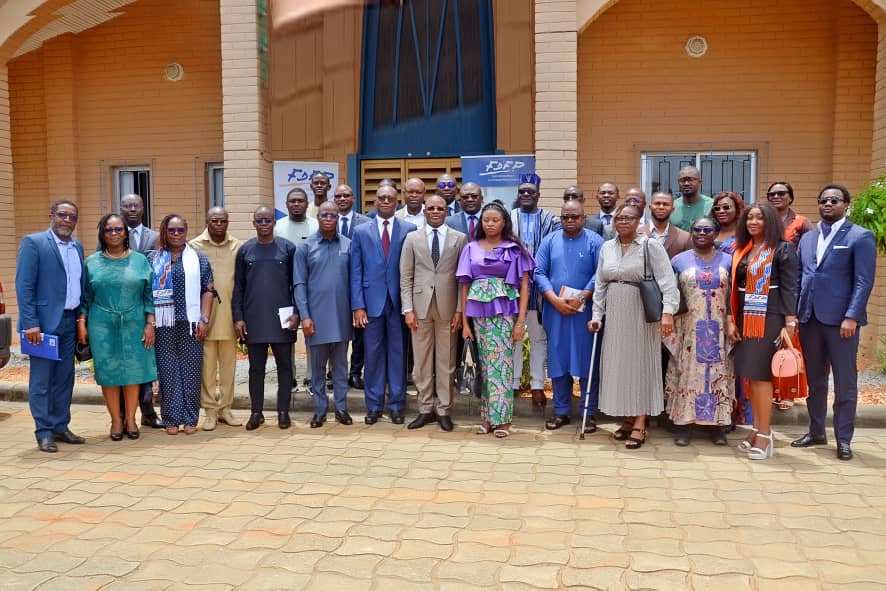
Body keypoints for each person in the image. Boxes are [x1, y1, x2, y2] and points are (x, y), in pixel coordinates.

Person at [792, 184, 876, 461]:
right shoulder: (808, 238)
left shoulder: (860, 236)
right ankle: (816, 431)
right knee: (815, 381)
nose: (828, 204)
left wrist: (852, 316)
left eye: (834, 200)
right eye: (823, 200)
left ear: (846, 204)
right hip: (809, 319)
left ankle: (843, 439)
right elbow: (802, 277)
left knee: (844, 382)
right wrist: (794, 314)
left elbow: (863, 281)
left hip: (842, 322)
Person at [588, 204, 679, 450]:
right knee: (619, 365)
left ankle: (640, 421)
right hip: (616, 312)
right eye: (619, 218)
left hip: (642, 312)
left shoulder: (651, 246)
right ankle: (627, 417)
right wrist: (597, 314)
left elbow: (668, 283)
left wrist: (668, 313)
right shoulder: (607, 247)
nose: (623, 221)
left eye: (629, 218)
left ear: (639, 220)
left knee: (640, 365)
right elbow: (600, 284)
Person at [727, 202, 798, 460]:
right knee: (751, 376)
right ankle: (757, 428)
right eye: (750, 218)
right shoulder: (742, 250)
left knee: (762, 376)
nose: (753, 222)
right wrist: (731, 319)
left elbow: (791, 287)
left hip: (770, 318)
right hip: (745, 317)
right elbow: (734, 287)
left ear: (770, 222)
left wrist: (789, 322)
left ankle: (766, 435)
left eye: (759, 218)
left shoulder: (782, 249)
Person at [457, 201, 535, 438]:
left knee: (501, 366)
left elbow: (524, 287)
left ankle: (503, 420)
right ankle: (488, 418)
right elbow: (464, 287)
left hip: (504, 313)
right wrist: (465, 324)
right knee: (485, 367)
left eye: (495, 220)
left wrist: (520, 323)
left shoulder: (514, 249)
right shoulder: (470, 248)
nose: (490, 224)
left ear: (504, 223)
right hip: (478, 315)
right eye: (486, 220)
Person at [16, 199, 86, 452]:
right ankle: (43, 431)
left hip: (69, 321)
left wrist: (80, 319)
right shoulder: (33, 243)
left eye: (72, 217)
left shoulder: (77, 246)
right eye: (62, 215)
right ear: (51, 216)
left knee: (64, 379)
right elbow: (24, 286)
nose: (67, 220)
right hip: (42, 326)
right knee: (42, 380)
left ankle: (60, 426)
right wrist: (31, 323)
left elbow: (79, 284)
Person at [79, 214, 157, 441]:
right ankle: (115, 420)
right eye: (109, 230)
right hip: (101, 324)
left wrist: (150, 324)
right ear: (102, 234)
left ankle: (131, 419)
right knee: (109, 372)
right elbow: (85, 297)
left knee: (133, 371)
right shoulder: (91, 262)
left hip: (134, 322)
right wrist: (81, 323)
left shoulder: (141, 261)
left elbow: (149, 296)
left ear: (125, 232)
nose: (114, 233)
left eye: (118, 229)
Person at [350, 184, 418, 424]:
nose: (386, 201)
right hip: (371, 304)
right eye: (382, 198)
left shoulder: (410, 229)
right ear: (375, 202)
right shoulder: (361, 231)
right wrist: (357, 306)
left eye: (390, 198)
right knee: (373, 355)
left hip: (400, 303)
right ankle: (374, 405)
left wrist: (411, 304)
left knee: (399, 355)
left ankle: (398, 405)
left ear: (397, 201)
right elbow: (355, 271)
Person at [664, 216, 734, 446]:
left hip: (718, 328)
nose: (702, 233)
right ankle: (683, 424)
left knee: (717, 374)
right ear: (691, 232)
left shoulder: (727, 260)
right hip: (689, 329)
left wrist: (732, 321)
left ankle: (717, 425)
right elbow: (669, 293)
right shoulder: (678, 261)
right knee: (687, 373)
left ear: (716, 233)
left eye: (707, 229)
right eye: (697, 229)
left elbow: (734, 295)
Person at [534, 200, 603, 432]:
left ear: (584, 217)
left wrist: (582, 297)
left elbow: (600, 273)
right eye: (565, 217)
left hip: (585, 313)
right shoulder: (549, 240)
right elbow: (538, 272)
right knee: (558, 361)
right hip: (556, 311)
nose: (570, 221)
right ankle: (561, 411)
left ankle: (588, 412)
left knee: (586, 362)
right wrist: (553, 299)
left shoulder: (595, 241)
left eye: (575, 217)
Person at [400, 195, 467, 432]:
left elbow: (463, 279)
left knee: (446, 361)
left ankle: (444, 410)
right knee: (422, 361)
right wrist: (407, 309)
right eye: (431, 208)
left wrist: (460, 309)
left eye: (440, 208)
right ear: (424, 211)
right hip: (419, 308)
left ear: (447, 211)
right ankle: (425, 408)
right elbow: (405, 277)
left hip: (448, 308)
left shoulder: (459, 239)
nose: (436, 211)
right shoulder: (412, 239)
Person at [147, 214, 214, 435]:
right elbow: (146, 292)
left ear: (186, 232)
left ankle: (190, 417)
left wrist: (204, 319)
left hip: (191, 322)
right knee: (168, 371)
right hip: (163, 323)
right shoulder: (153, 259)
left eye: (180, 230)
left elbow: (208, 290)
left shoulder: (199, 258)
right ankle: (171, 418)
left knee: (191, 370)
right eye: (172, 230)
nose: (176, 234)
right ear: (164, 232)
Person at [233, 206, 299, 431]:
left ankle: (283, 412)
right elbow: (239, 287)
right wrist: (238, 317)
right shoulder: (245, 251)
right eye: (259, 220)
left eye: (268, 220)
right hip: (253, 319)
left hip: (283, 319)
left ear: (274, 222)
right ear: (254, 223)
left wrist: (297, 312)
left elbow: (296, 285)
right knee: (256, 369)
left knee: (284, 367)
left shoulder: (287, 249)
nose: (263, 223)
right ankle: (256, 412)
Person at [295, 202, 354, 428]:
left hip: (341, 316)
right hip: (316, 318)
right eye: (324, 215)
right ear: (317, 217)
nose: (329, 218)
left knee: (340, 367)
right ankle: (319, 410)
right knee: (317, 369)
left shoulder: (348, 245)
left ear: (338, 218)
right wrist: (305, 316)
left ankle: (341, 408)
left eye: (333, 215)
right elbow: (299, 284)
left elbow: (354, 281)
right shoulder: (306, 247)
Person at [189, 207, 243, 430]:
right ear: (207, 221)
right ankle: (210, 411)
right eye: (214, 220)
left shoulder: (238, 246)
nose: (219, 224)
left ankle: (226, 410)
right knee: (207, 369)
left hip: (230, 317)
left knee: (229, 368)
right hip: (205, 319)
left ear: (228, 222)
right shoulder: (194, 246)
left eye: (223, 220)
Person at [509, 175, 559, 407]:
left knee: (539, 338)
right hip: (513, 287)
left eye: (530, 191)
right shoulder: (509, 218)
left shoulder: (550, 219)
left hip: (539, 287)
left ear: (538, 194)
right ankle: (514, 383)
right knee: (513, 336)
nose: (526, 195)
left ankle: (538, 385)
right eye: (522, 192)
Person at [119, 193, 163, 429]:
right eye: (127, 206)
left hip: (148, 308)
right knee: (126, 364)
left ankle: (148, 412)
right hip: (121, 311)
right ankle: (125, 417)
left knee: (146, 362)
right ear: (121, 209)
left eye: (136, 205)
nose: (132, 209)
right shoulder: (112, 235)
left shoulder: (155, 237)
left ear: (143, 208)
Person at [274, 187, 319, 388]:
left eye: (300, 201)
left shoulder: (316, 225)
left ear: (306, 203)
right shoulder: (278, 227)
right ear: (286, 204)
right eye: (292, 201)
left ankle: (311, 374)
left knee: (311, 330)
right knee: (287, 331)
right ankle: (289, 375)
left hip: (311, 286)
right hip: (284, 287)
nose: (296, 204)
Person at [334, 184, 371, 389]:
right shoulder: (327, 221)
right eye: (338, 196)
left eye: (346, 195)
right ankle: (335, 373)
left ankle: (355, 372)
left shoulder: (366, 223)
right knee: (336, 332)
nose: (342, 199)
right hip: (336, 286)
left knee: (359, 334)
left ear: (353, 198)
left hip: (359, 286)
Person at [638, 191, 692, 259]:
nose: (661, 207)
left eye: (666, 204)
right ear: (650, 207)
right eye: (657, 203)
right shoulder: (637, 234)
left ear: (672, 210)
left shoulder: (685, 238)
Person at [766, 180, 813, 248]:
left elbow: (810, 248)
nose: (775, 196)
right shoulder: (762, 220)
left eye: (781, 193)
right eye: (772, 194)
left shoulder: (802, 222)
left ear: (790, 198)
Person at [671, 166, 713, 232]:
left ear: (700, 182)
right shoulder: (671, 206)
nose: (686, 183)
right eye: (682, 180)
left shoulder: (712, 205)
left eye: (691, 179)